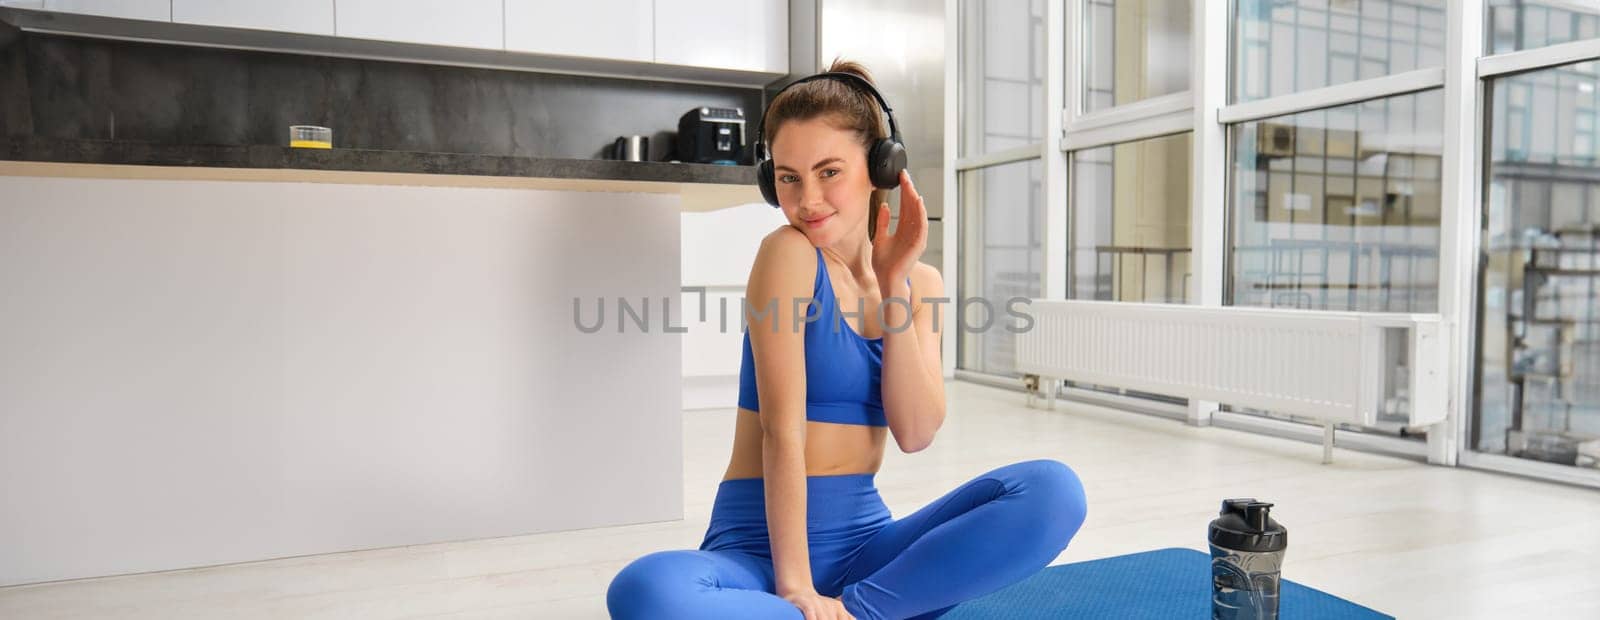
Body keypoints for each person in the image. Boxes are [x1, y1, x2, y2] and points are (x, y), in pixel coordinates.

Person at [606, 59, 1087, 620]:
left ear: (880, 169)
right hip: (759, 555)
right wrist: (796, 589)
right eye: (788, 177)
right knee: (645, 591)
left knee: (1053, 492)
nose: (807, 199)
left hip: (866, 553)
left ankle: (859, 612)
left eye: (828, 171)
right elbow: (779, 430)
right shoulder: (787, 254)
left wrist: (895, 282)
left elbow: (915, 432)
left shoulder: (920, 284)